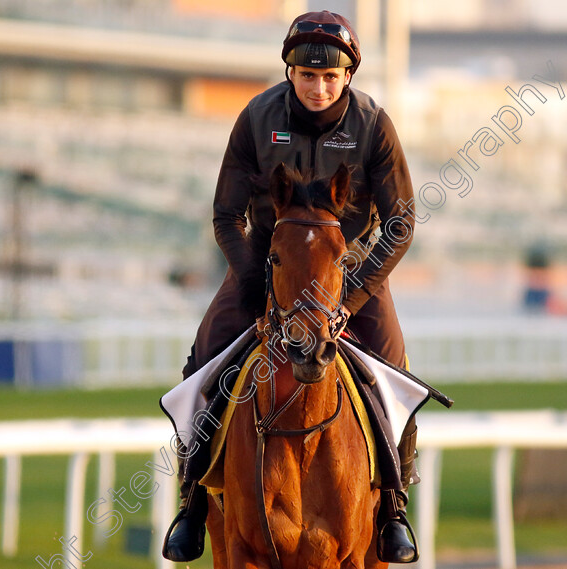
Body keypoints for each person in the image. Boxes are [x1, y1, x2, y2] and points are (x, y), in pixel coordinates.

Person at [163, 10, 419, 564]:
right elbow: (227, 216)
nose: (319, 86)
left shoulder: (375, 125)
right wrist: (258, 287)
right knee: (206, 357)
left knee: (396, 369)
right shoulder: (256, 118)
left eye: (330, 77)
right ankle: (191, 500)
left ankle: (394, 506)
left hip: (344, 267)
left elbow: (400, 223)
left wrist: (349, 298)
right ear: (290, 72)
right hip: (269, 261)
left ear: (348, 76)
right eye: (307, 75)